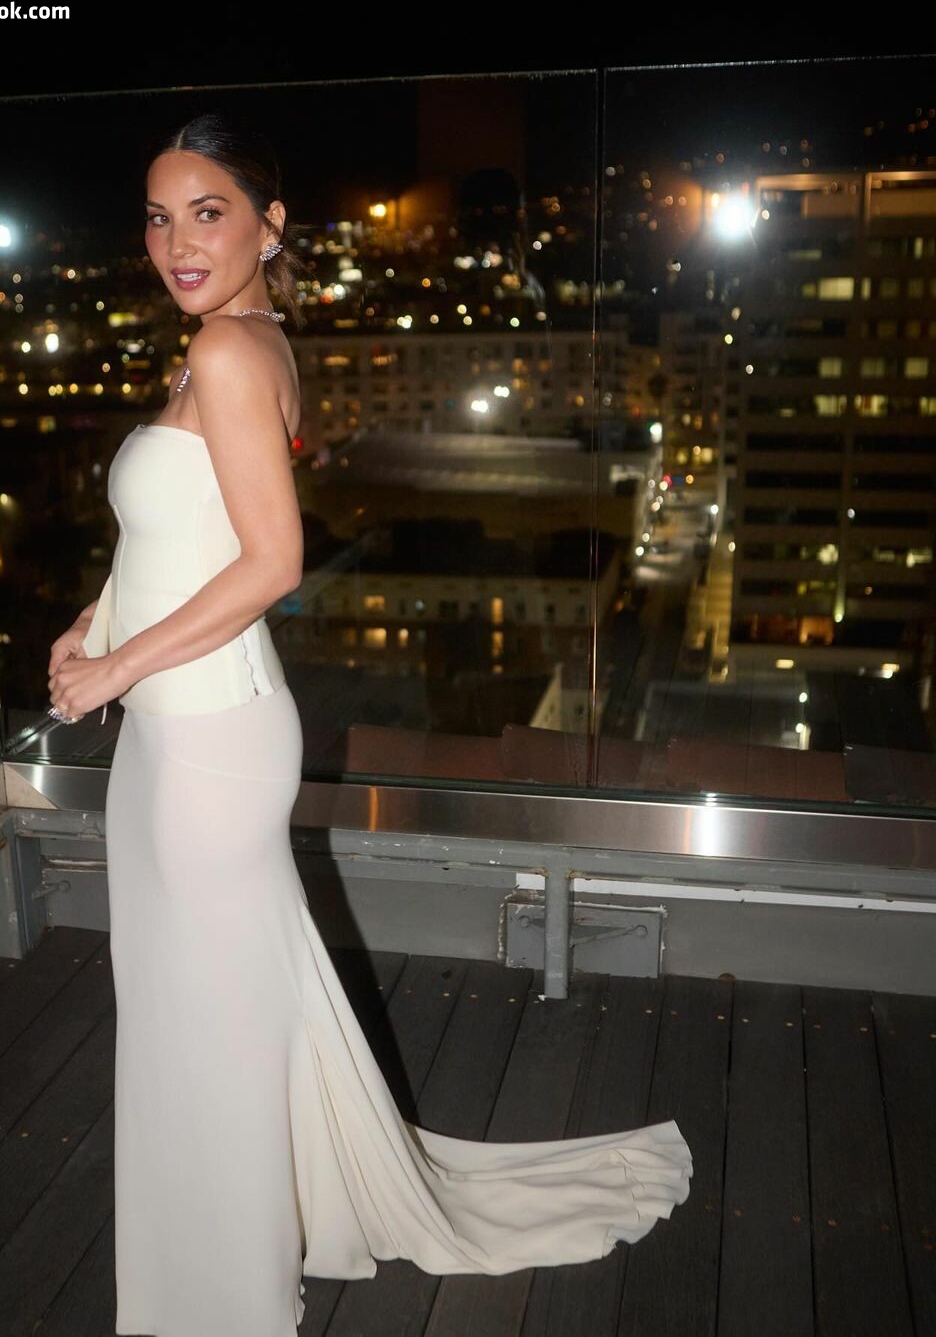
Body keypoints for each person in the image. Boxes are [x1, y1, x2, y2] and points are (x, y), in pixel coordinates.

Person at [47, 113, 694, 1336]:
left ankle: (225, 1292)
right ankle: (216, 1255)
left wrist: (115, 664)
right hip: (176, 728)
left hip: (206, 738)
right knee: (198, 1008)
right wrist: (93, 622)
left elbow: (273, 561)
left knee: (209, 1020)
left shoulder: (228, 352)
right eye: (158, 216)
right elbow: (182, 535)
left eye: (208, 212)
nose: (177, 241)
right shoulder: (228, 342)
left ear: (269, 225)